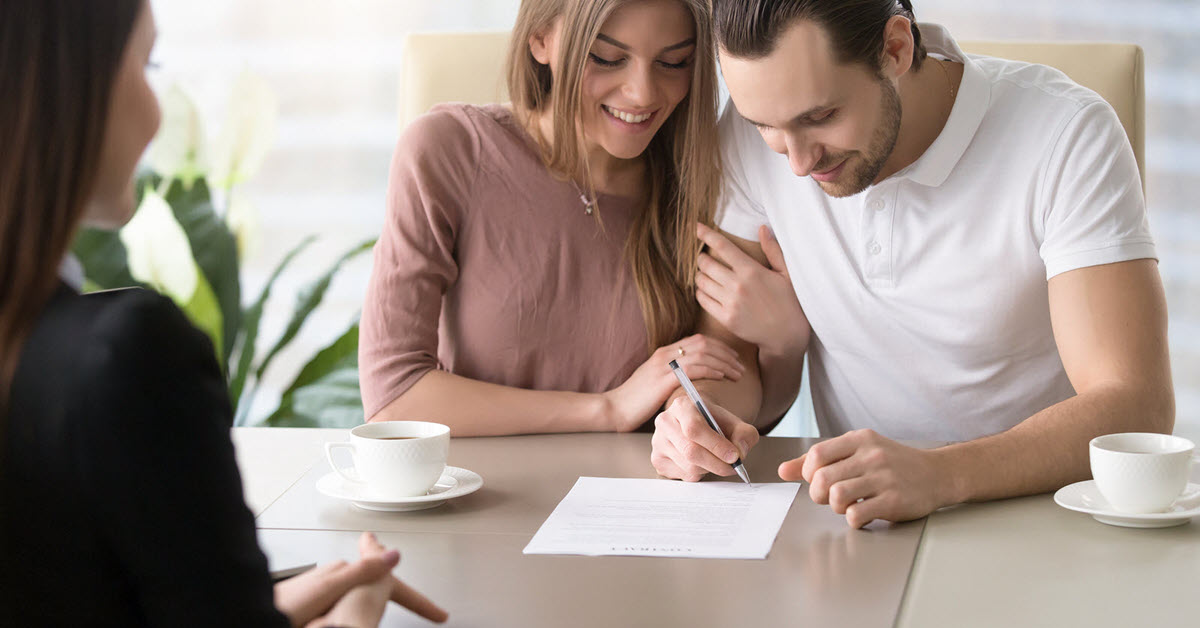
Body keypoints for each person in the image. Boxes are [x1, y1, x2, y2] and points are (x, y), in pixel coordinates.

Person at [0, 1, 447, 625]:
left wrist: (256, 610)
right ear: (71, 79)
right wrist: (358, 612)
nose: (157, 116)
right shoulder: (130, 356)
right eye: (145, 63)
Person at [651, 0, 1174, 529]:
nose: (799, 162)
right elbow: (730, 361)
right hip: (860, 524)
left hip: (1040, 518)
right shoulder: (751, 141)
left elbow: (1135, 406)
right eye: (764, 124)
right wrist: (704, 414)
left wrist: (940, 475)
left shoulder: (1066, 136)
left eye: (822, 117)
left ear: (896, 48)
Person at [359, 0, 750, 436]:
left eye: (674, 62)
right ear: (539, 38)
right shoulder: (448, 151)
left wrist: (782, 349)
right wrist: (608, 410)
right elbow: (394, 398)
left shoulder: (706, 181)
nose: (643, 93)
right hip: (480, 496)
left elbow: (734, 381)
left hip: (641, 494)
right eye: (606, 58)